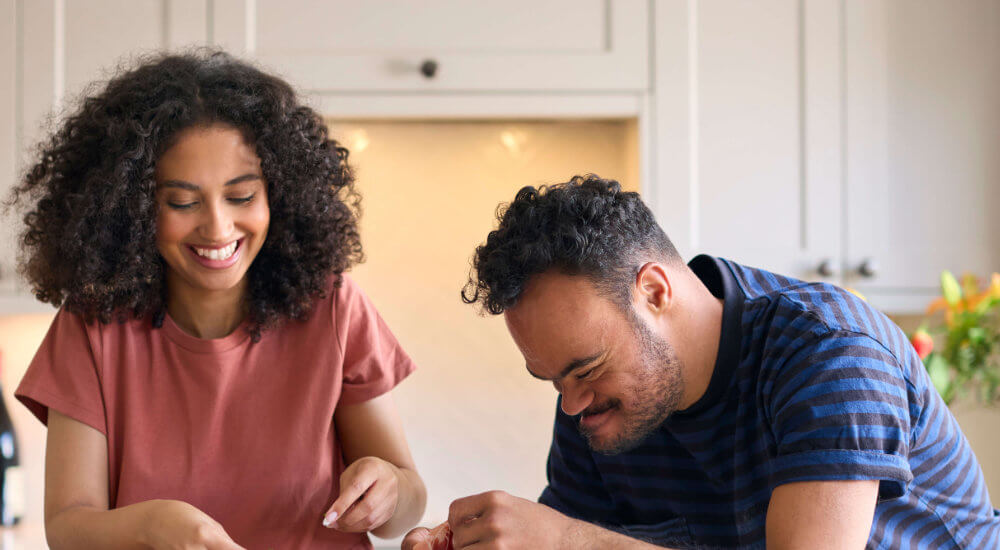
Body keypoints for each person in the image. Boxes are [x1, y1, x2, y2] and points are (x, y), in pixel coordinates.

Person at [404, 175, 1000, 549]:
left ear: (655, 292)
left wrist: (564, 540)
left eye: (584, 369)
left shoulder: (830, 350)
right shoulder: (595, 408)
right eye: (553, 380)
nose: (571, 403)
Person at [10, 51, 426, 549]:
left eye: (242, 196)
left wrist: (389, 491)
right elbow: (68, 527)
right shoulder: (92, 326)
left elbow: (405, 507)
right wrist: (153, 526)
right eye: (182, 202)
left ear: (279, 193)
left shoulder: (333, 309)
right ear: (133, 208)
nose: (218, 227)